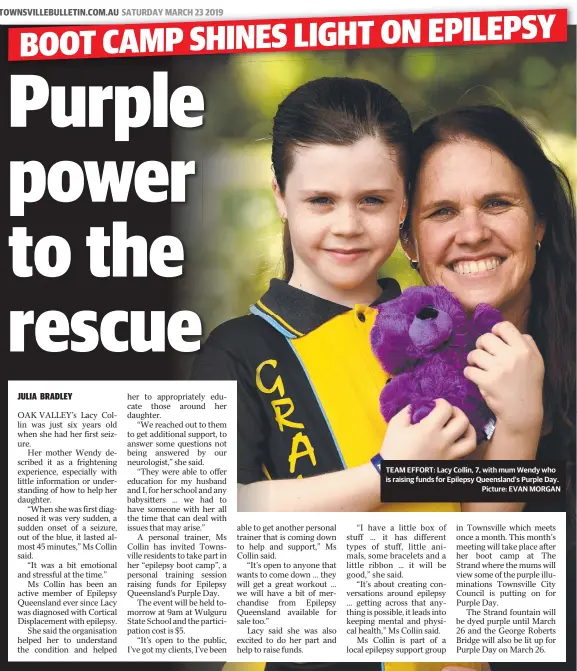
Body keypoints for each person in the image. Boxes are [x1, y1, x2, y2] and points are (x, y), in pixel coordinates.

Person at [192, 78, 486, 671]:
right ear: (280, 196)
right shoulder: (236, 351)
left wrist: (523, 421)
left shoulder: (446, 336)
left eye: (373, 200)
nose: (348, 225)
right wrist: (384, 476)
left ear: (405, 202)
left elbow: (492, 521)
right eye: (320, 200)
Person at [400, 105, 576, 670]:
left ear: (540, 221)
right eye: (442, 211)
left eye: (497, 204)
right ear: (409, 241)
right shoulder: (385, 387)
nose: (472, 233)